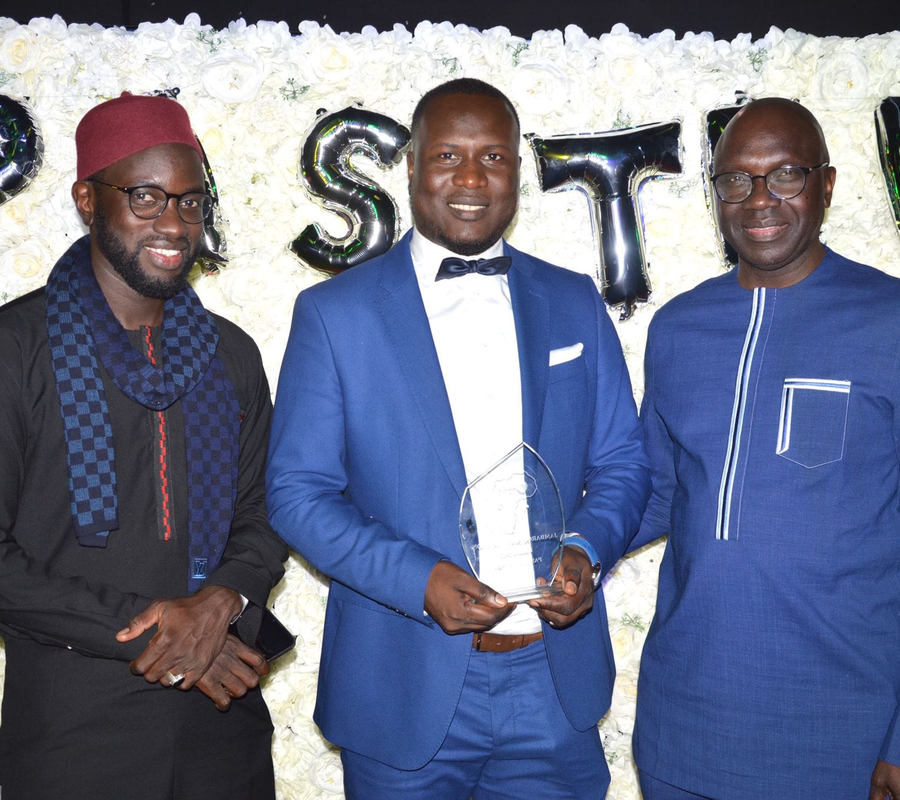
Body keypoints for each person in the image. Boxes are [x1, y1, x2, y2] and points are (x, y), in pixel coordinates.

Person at [266, 77, 650, 799]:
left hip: (553, 684)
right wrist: (416, 579)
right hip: (400, 685)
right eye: (447, 155)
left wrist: (588, 547)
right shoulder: (333, 314)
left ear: (516, 172)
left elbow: (623, 462)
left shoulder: (573, 300)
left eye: (493, 157)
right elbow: (297, 493)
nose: (471, 178)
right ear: (411, 166)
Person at [0, 92, 287, 800]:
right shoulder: (16, 348)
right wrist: (167, 636)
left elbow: (264, 512)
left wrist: (220, 602)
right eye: (146, 196)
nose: (174, 223)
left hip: (221, 727)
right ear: (88, 200)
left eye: (191, 202)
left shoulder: (231, 354)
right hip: (74, 730)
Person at [630, 96, 900, 800]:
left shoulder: (890, 320)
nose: (759, 198)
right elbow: (655, 493)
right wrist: (561, 547)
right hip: (683, 728)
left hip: (845, 735)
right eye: (736, 179)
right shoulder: (679, 328)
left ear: (826, 185)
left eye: (785, 174)